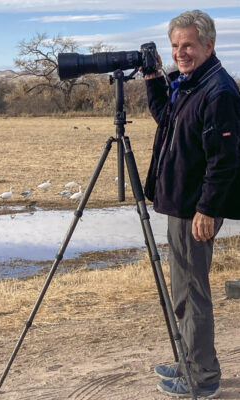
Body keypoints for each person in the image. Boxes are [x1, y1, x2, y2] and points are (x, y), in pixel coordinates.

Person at [143, 9, 240, 398]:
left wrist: (208, 208)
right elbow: (166, 119)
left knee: (194, 291)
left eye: (188, 45)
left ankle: (202, 377)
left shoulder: (218, 92)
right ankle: (189, 360)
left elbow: (226, 159)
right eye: (175, 46)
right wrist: (153, 80)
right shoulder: (189, 84)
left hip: (195, 209)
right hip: (182, 203)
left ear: (208, 45)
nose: (180, 52)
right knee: (182, 288)